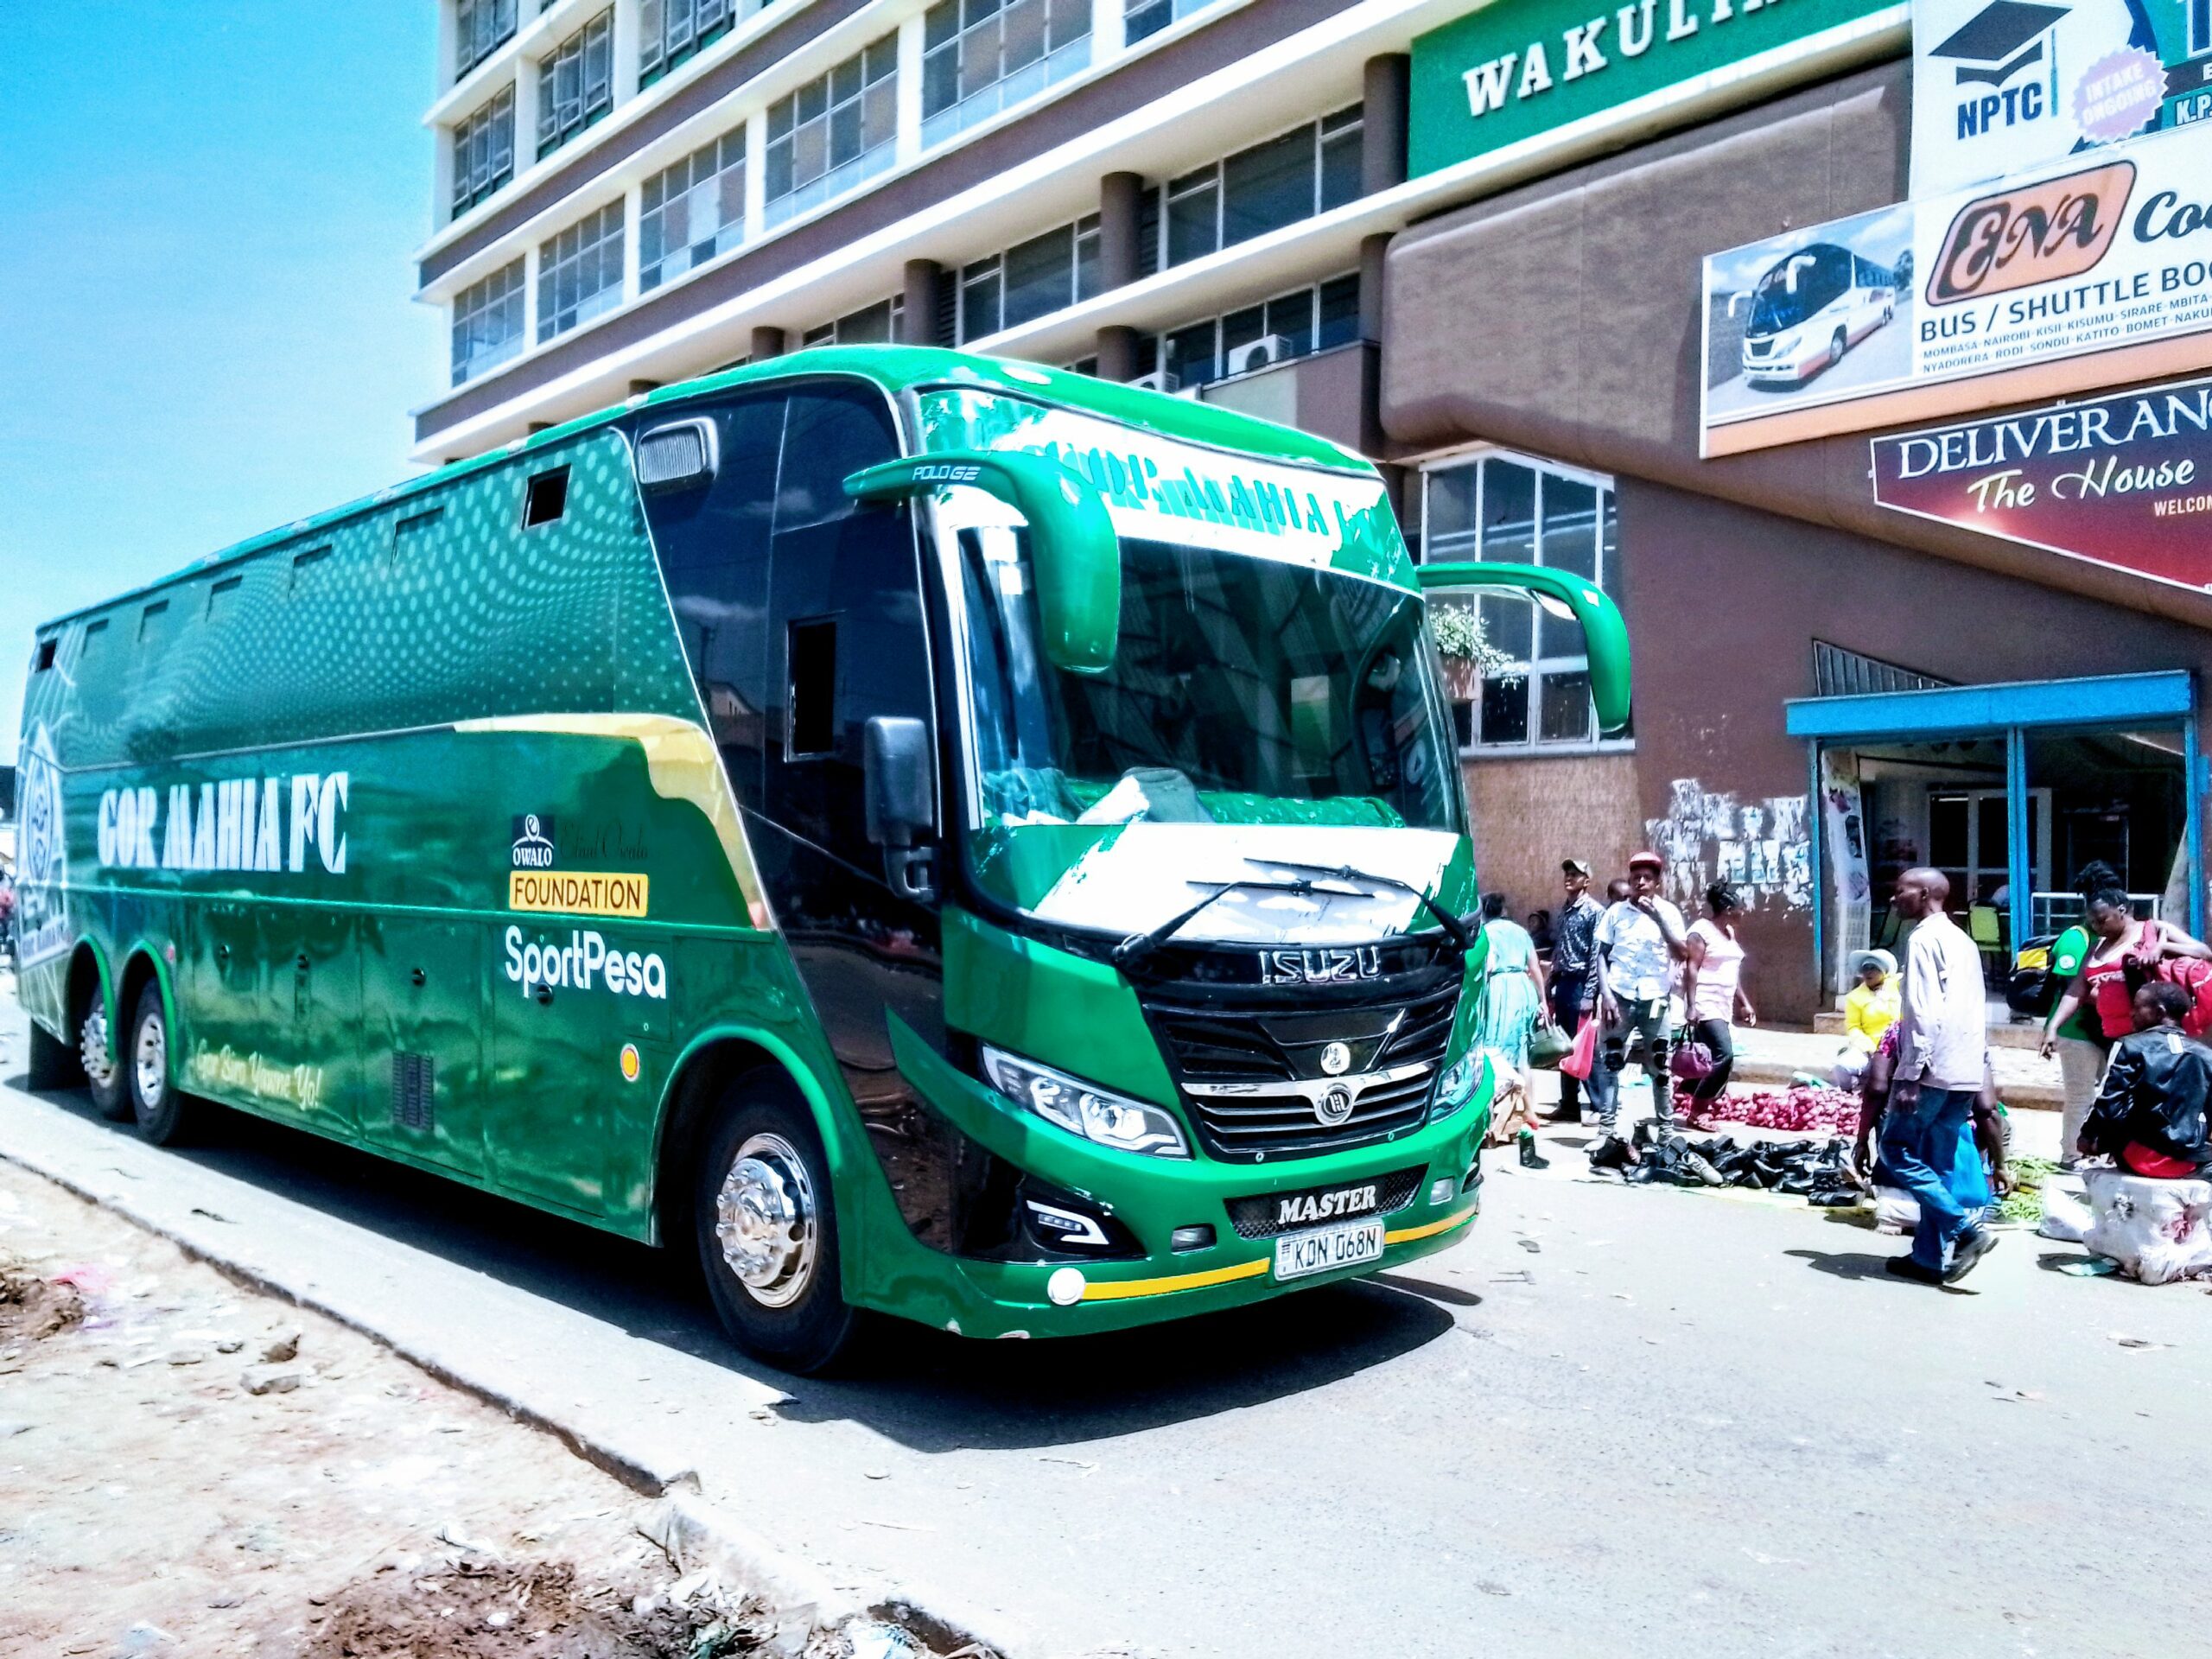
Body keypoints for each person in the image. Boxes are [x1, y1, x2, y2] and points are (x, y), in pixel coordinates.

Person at [1883, 867, 1999, 1285]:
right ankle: (1928, 1258)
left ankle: (1964, 1229)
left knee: (1896, 1150)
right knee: (1939, 1161)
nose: (1896, 898)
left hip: (1932, 1069)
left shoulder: (1923, 938)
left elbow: (1922, 1010)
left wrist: (1910, 1072)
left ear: (1927, 893)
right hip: (1965, 1068)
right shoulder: (1962, 940)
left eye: (1902, 890)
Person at [2039, 888, 2212, 1058]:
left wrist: (2162, 947)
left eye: (2101, 920)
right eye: (2092, 923)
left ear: (2121, 910)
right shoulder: (2096, 947)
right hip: (2113, 1036)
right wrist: (2053, 1027)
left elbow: (2204, 952)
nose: (2096, 927)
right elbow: (2076, 991)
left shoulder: (2153, 930)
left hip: (2152, 1038)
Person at [1589, 851, 1689, 1135]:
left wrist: (1658, 920)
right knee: (1611, 1063)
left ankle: (1667, 1130)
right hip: (1619, 997)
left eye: (1647, 878)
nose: (1641, 882)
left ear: (1657, 882)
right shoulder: (1615, 913)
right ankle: (1606, 1132)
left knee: (1659, 1064)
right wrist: (1606, 996)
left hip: (1655, 998)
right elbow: (1601, 956)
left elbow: (1682, 953)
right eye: (1636, 878)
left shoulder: (1668, 912)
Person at [2077, 982, 2212, 1178]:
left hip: (2139, 1157)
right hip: (2189, 1160)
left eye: (2138, 1007)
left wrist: (2089, 1137)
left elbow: (2109, 1103)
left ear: (2159, 1012)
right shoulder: (2205, 1054)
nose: (2131, 1013)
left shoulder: (2130, 1046)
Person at [2037, 862, 2120, 1166]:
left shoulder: (2115, 940)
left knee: (2105, 1096)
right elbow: (2074, 989)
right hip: (2076, 1032)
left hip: (2104, 1032)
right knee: (2080, 1096)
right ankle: (2072, 1155)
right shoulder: (2077, 938)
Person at [1470, 893, 1555, 1168]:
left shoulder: (1485, 932)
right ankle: (1530, 1111)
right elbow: (1535, 969)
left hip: (1499, 991)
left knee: (1495, 1052)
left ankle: (1500, 1117)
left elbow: (1489, 966)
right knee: (1522, 1054)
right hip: (1522, 989)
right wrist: (1542, 1001)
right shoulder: (1520, 932)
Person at [1681, 882, 1756, 1116]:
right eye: (1739, 907)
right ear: (1726, 908)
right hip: (1705, 1001)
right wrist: (1692, 1006)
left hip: (1723, 1002)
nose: (1743, 912)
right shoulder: (1700, 931)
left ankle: (1693, 1092)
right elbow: (1691, 968)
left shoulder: (1729, 933)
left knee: (1713, 1056)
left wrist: (1744, 1002)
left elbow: (1731, 973)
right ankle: (1698, 1109)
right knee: (1725, 1054)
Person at [1546, 859, 1605, 1124]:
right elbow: (1560, 950)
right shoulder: (1565, 910)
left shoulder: (1594, 911)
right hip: (1565, 983)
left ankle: (1601, 1105)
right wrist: (1549, 986)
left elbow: (1596, 956)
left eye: (1575, 874)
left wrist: (1589, 994)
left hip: (1582, 983)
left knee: (1585, 1045)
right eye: (1567, 874)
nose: (1568, 878)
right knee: (1565, 1046)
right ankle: (1569, 1104)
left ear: (1587, 881)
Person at [1831, 949, 1900, 1090]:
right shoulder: (1854, 997)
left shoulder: (1898, 987)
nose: (1868, 972)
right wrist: (1870, 1049)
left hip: (1900, 1047)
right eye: (1865, 968)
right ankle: (1849, 1093)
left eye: (1874, 968)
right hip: (1870, 1049)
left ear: (1884, 971)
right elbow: (1853, 1028)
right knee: (1841, 1067)